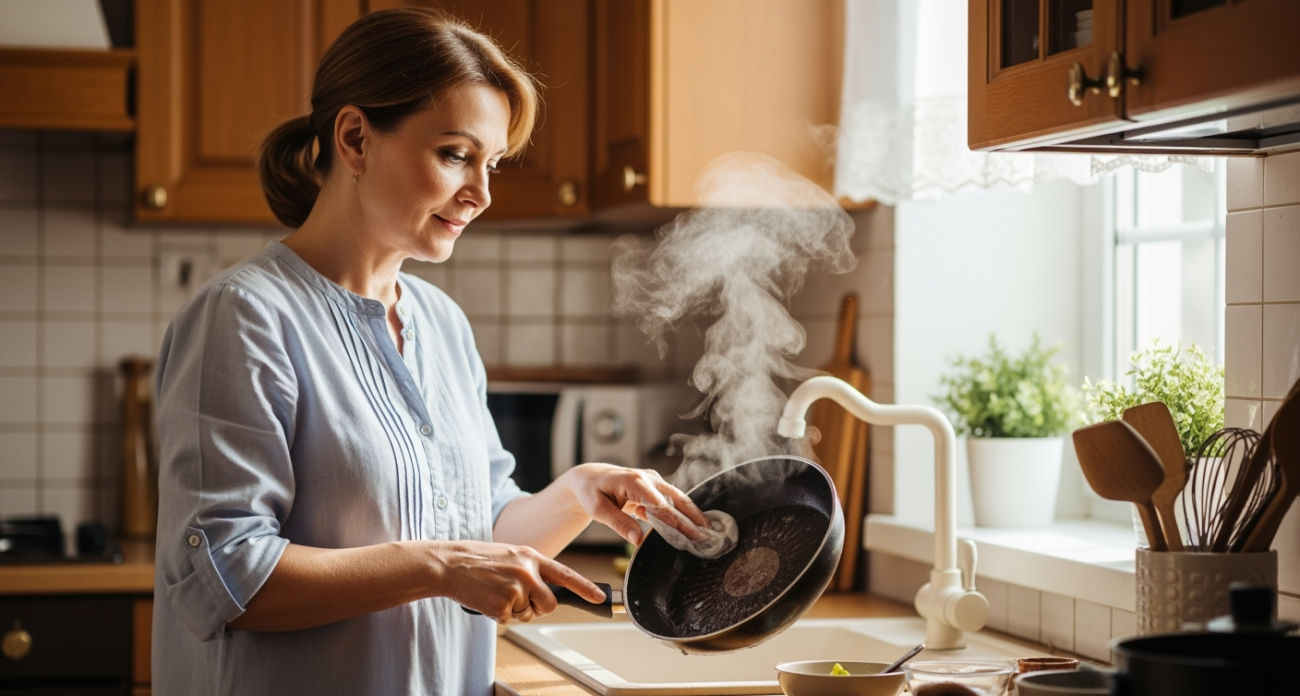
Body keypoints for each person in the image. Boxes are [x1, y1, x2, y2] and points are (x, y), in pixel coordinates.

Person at [151, 8, 708, 695]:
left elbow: (481, 533)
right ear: (355, 138)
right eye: (455, 155)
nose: (481, 194)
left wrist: (578, 492)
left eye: (493, 164)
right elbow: (227, 578)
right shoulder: (243, 319)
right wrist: (438, 567)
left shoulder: (441, 323)